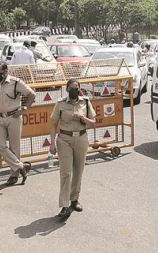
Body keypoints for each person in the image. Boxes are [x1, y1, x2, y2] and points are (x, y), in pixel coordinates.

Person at [49, 79, 96, 219]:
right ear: (67, 89)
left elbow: (93, 123)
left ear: (80, 89)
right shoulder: (60, 103)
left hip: (81, 138)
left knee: (79, 170)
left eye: (76, 88)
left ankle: (74, 199)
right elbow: (53, 124)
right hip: (64, 139)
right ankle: (64, 205)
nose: (74, 90)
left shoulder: (85, 102)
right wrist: (52, 144)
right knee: (66, 172)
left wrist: (83, 118)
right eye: (71, 88)